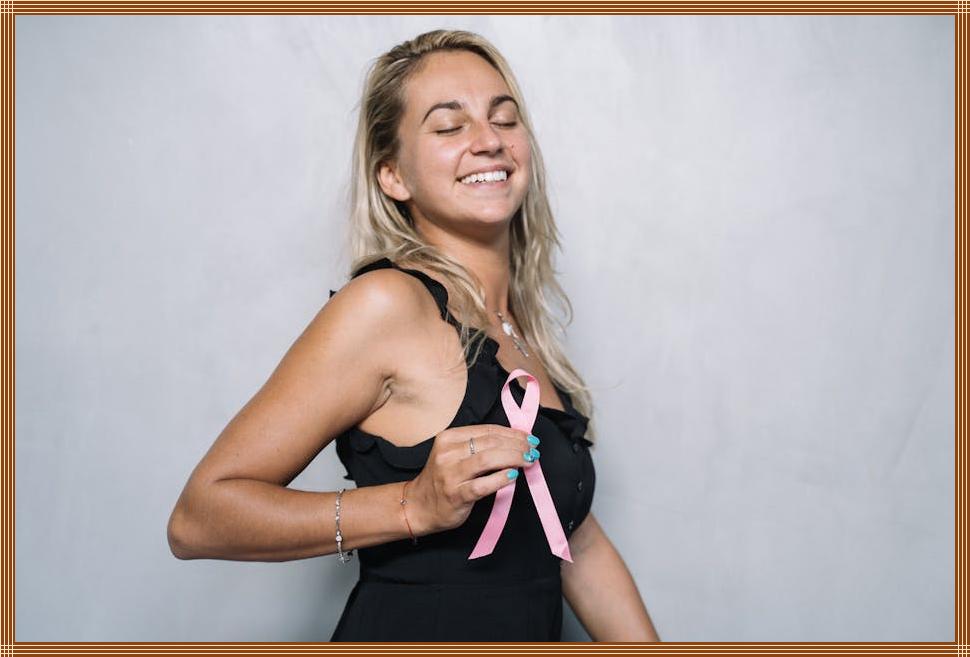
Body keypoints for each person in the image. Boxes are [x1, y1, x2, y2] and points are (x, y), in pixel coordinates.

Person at [167, 28, 660, 642]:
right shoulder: (386, 305)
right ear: (393, 175)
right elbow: (198, 518)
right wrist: (412, 505)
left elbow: (573, 540)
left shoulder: (518, 326)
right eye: (449, 127)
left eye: (504, 119)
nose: (489, 140)